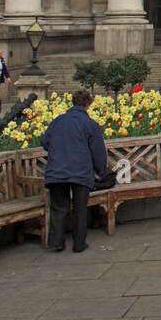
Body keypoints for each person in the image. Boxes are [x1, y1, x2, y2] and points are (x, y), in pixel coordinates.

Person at [42, 89, 107, 254]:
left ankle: (57, 242)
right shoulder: (89, 123)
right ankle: (79, 244)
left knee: (58, 207)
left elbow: (44, 141)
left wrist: (59, 151)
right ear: (87, 105)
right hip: (80, 171)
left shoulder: (58, 120)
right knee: (80, 208)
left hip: (56, 171)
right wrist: (100, 170)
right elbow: (98, 150)